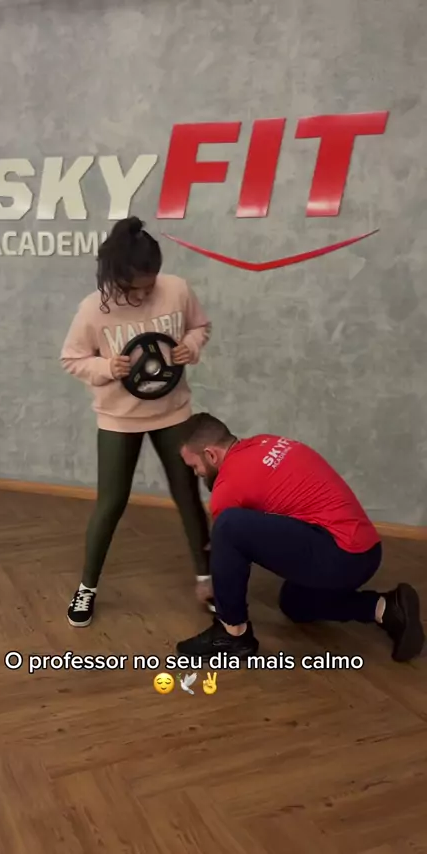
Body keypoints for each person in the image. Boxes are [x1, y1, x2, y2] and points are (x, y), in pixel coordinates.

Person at [60, 217, 214, 627]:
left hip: (173, 412)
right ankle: (87, 587)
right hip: (118, 418)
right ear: (114, 277)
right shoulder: (92, 309)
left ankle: (207, 580)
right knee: (111, 502)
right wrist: (106, 367)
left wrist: (189, 346)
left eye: (151, 285)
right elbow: (72, 359)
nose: (145, 294)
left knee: (188, 495)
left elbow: (200, 326)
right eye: (135, 290)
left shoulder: (177, 289)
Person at [175, 412, 425, 663]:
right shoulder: (265, 442)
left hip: (342, 556)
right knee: (295, 603)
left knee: (228, 526)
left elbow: (226, 544)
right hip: (365, 550)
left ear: (210, 455)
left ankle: (232, 634)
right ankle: (386, 608)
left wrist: (210, 583)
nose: (197, 473)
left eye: (195, 466)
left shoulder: (228, 485)